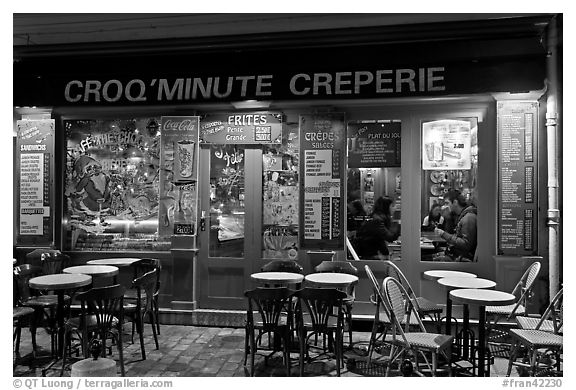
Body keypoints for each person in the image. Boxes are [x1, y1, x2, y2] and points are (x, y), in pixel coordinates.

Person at [434, 189, 477, 262]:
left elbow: (466, 244)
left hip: (462, 259)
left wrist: (443, 234)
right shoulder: (459, 215)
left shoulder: (469, 217)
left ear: (455, 202)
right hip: (455, 255)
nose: (445, 206)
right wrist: (447, 218)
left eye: (447, 203)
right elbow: (453, 234)